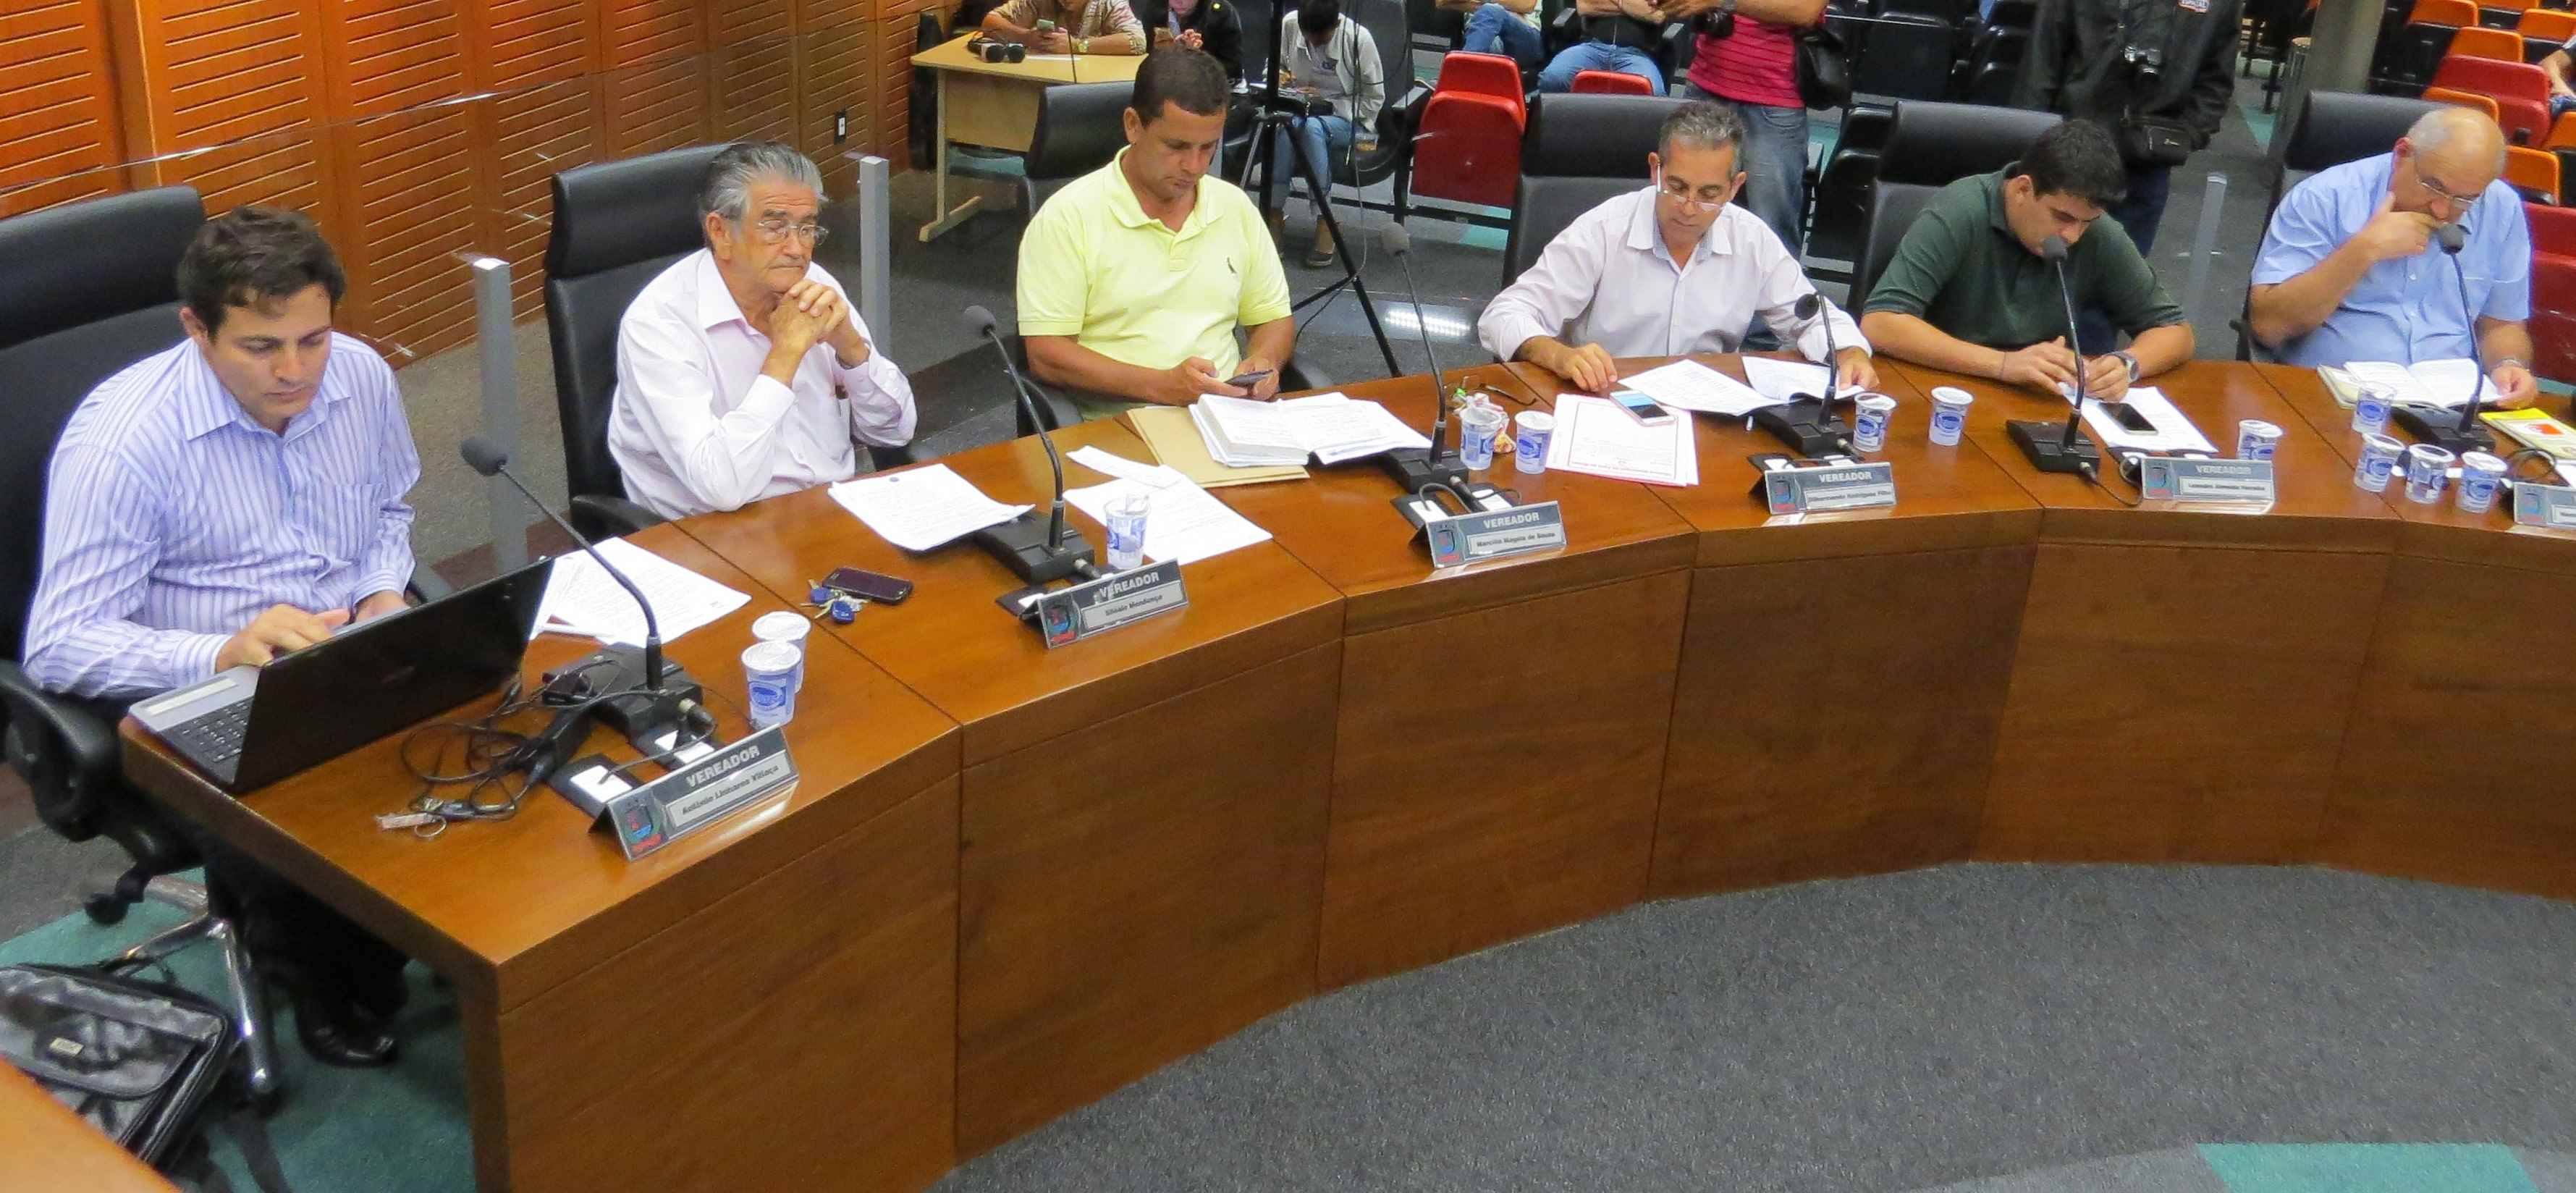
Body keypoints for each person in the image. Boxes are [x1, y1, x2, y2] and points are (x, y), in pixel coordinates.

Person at [23, 206, 421, 1068]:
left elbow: (390, 507)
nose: (294, 371)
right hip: (200, 685)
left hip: (342, 642)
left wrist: (384, 592)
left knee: (478, 729)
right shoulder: (126, 441)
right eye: (261, 347)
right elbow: (58, 643)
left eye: (312, 339)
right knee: (304, 827)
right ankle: (319, 982)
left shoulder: (359, 376)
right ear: (196, 329)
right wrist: (219, 651)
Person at [608, 140, 915, 520]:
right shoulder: (659, 324)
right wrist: (784, 355)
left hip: (832, 511)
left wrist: (853, 350)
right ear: (721, 232)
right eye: (775, 228)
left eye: (807, 228)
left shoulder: (814, 285)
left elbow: (895, 432)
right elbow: (721, 487)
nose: (797, 249)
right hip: (717, 532)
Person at [1477, 101, 1877, 393]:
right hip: (1606, 398)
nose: (1688, 208)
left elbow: (1814, 318)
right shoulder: (1604, 229)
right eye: (1677, 187)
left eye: (1709, 194)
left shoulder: (1751, 239)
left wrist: (1849, 352)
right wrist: (1558, 355)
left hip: (1706, 409)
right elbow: (1504, 315)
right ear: (1656, 169)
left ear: (1735, 187)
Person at [1017, 48, 1298, 416]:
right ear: (1133, 125)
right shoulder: (1067, 218)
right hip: (1124, 425)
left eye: (1208, 147)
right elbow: (1047, 355)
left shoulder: (1234, 207)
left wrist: (1265, 361)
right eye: (1177, 147)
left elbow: (1273, 318)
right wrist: (1163, 386)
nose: (1194, 166)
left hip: (1228, 417)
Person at [1857, 119, 2193, 400]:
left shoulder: (2096, 232)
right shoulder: (1959, 209)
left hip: (2033, 397)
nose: (2073, 235)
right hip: (1938, 388)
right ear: (2022, 189)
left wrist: (2127, 364)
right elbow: (1881, 323)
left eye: (2086, 222)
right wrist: (2003, 364)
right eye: (2062, 217)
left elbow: (2175, 332)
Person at [2246, 107, 2538, 408]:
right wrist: (2364, 250)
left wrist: (2509, 364)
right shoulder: (2324, 196)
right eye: (2434, 186)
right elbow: (2270, 325)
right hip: (2331, 397)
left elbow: (2503, 326)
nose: (2442, 211)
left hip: (2451, 405)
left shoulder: (2502, 208)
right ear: (2402, 154)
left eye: (2465, 199)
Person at [2013, 0, 2240, 261]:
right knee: (2040, 264)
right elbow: (2041, 61)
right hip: (2067, 152)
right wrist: (2031, 142)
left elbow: (2217, 80)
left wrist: (2185, 135)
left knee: (2122, 272)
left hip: (2147, 161)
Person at [1652, 0, 1825, 258]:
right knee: (1683, 208)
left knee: (1772, 227)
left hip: (1774, 101)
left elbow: (1805, 12)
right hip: (1706, 86)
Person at [1269, 0, 1385, 267]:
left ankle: (1325, 219)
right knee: (1288, 126)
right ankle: (1274, 213)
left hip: (1352, 122)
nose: (1313, 43)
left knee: (1312, 128)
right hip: (1298, 112)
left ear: (1337, 24)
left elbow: (1374, 100)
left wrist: (1327, 103)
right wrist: (1281, 77)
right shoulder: (1289, 25)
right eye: (1308, 36)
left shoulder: (1359, 39)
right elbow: (1275, 67)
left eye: (1321, 39)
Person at [1538, 0, 1671, 94]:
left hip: (1637, 54)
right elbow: (1585, 5)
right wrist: (1636, 6)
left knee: (1654, 93)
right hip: (1592, 47)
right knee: (1552, 78)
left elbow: (1657, 15)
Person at [981, 0, 1147, 55]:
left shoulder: (1110, 3)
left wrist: (1077, 46)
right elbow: (989, 22)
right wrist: (1026, 37)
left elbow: (1137, 41)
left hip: (1093, 88)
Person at [1137, 0, 1244, 80]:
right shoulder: (1155, 7)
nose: (1179, 1)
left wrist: (1195, 56)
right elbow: (1149, 53)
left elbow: (1232, 67)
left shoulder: (1221, 12)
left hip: (1217, 86)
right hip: (1168, 84)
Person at [1445, 0, 1545, 73]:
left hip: (1524, 38)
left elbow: (1526, 5)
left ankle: (1460, 74)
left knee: (1491, 11)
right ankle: (1463, 74)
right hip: (1480, 34)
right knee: (1488, 19)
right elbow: (1443, 2)